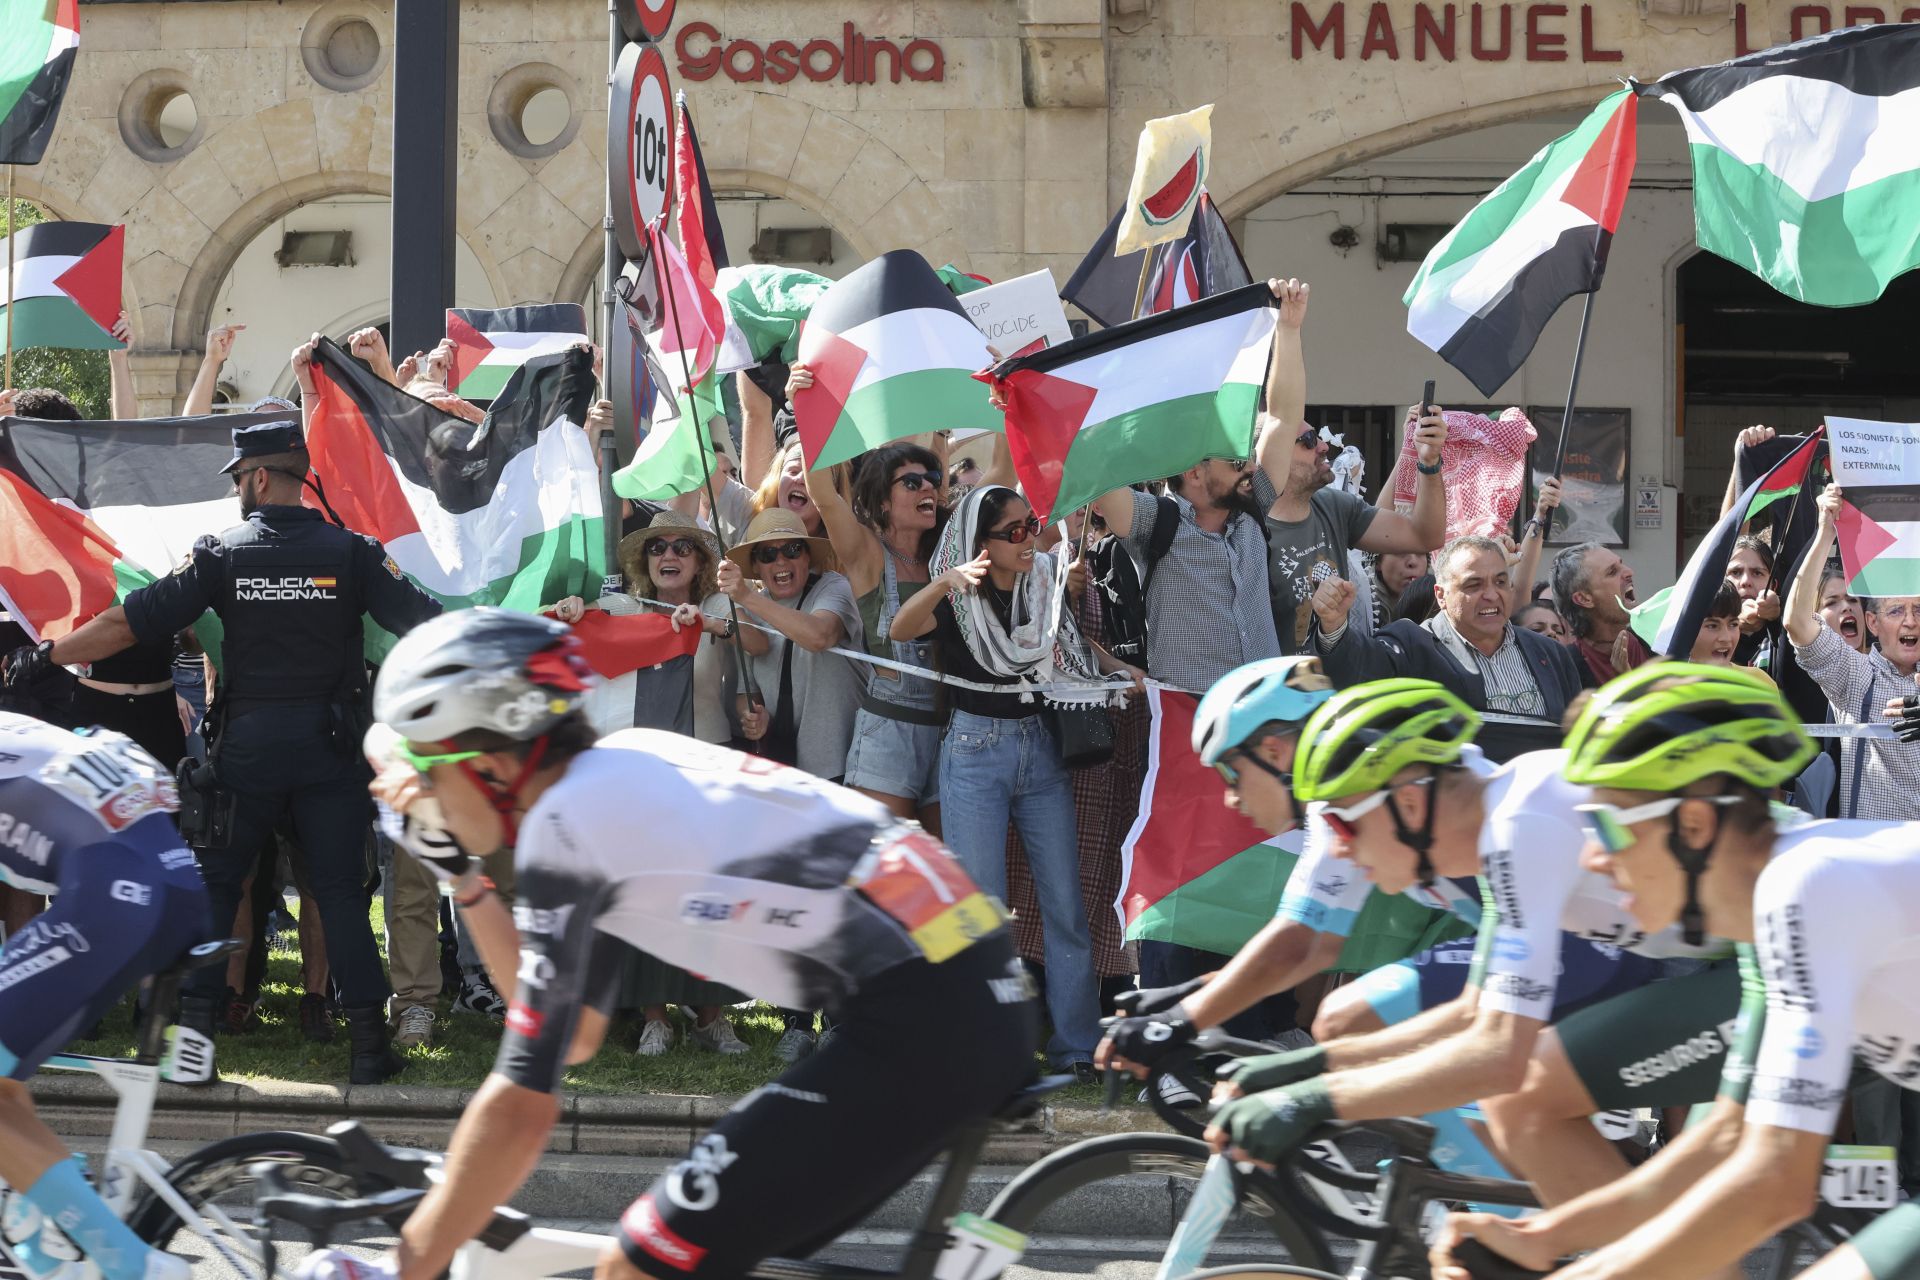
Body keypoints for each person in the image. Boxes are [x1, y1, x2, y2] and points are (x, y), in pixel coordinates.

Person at [354, 608, 1038, 1280]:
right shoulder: (620, 763)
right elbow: (574, 1032)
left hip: (923, 1011)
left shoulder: (568, 827)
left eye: (426, 769)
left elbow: (521, 1106)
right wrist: (464, 879)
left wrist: (404, 1266)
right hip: (958, 977)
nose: (422, 796)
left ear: (489, 766)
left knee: (638, 1266)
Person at [1429, 665, 1920, 1280]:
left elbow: (1777, 1181)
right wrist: (1544, 1235)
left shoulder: (1808, 887)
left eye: (1606, 826)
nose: (1592, 858)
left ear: (1693, 826)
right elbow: (1726, 1140)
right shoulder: (1771, 915)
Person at [8, 418, 442, 1083]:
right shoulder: (354, 552)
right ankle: (367, 1048)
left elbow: (128, 622)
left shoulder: (220, 554)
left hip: (246, 750)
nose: (238, 490)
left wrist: (47, 656)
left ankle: (196, 1044)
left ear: (260, 477)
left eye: (239, 479)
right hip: (331, 750)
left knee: (215, 888)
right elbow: (426, 623)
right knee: (339, 893)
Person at [1196, 680, 1664, 1178]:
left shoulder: (1516, 826)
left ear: (1410, 806)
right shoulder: (1498, 822)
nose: (1339, 849)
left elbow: (1497, 1051)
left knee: (1520, 1105)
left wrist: (1309, 1099)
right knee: (1518, 1113)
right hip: (1645, 966)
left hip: (1689, 975)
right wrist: (1302, 1069)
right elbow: (1475, 1010)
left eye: (1342, 827)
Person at [891, 485, 1111, 1079]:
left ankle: (1077, 1047)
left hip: (1041, 749)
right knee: (980, 908)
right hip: (974, 750)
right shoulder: (960, 597)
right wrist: (943, 582)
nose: (1029, 539)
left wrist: (1123, 673)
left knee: (1065, 904)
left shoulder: (1045, 583)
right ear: (981, 543)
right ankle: (984, 1045)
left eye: (1031, 524)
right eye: (1013, 531)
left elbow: (1073, 649)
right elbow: (899, 630)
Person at [0, 715, 206, 1280]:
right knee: (5, 1084)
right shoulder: (16, 727)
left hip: (114, 892)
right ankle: (46, 1241)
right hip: (174, 885)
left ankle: (129, 1264)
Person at [555, 514, 759, 1055]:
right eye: (657, 547)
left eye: (683, 547)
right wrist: (573, 609)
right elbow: (580, 623)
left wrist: (709, 626)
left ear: (700, 560)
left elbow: (753, 639)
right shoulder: (624, 609)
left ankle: (711, 1019)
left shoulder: (718, 606)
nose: (669, 555)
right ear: (644, 561)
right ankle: (655, 1018)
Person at [1249, 279, 1448, 654]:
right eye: (1308, 440)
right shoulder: (1246, 525)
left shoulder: (1333, 507)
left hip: (1339, 683)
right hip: (1276, 686)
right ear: (1269, 454)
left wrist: (1429, 463)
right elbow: (1281, 414)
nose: (1324, 446)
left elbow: (1426, 537)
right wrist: (1287, 329)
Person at [799, 406, 948, 830]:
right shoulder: (867, 553)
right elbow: (822, 493)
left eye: (932, 479)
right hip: (889, 733)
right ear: (883, 500)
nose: (928, 488)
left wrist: (1002, 404)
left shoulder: (946, 552)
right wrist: (808, 410)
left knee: (942, 862)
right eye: (912, 482)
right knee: (887, 861)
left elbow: (999, 476)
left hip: (950, 731)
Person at [1313, 535, 1584, 760]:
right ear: (1441, 595)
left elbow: (1576, 737)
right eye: (1474, 585)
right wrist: (1334, 625)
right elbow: (1358, 672)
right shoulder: (1411, 645)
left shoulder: (1551, 653)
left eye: (1500, 582)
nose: (1491, 595)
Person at [1786, 484, 1920, 822]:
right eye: (1896, 611)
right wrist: (1825, 534)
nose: (1910, 621)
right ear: (1873, 623)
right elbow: (1797, 622)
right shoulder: (1856, 675)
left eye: (1919, 610)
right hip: (1875, 846)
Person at [1551, 542, 1649, 684]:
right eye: (1612, 572)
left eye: (1621, 564)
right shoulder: (1566, 669)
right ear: (1584, 599)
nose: (1629, 572)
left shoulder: (1657, 642)